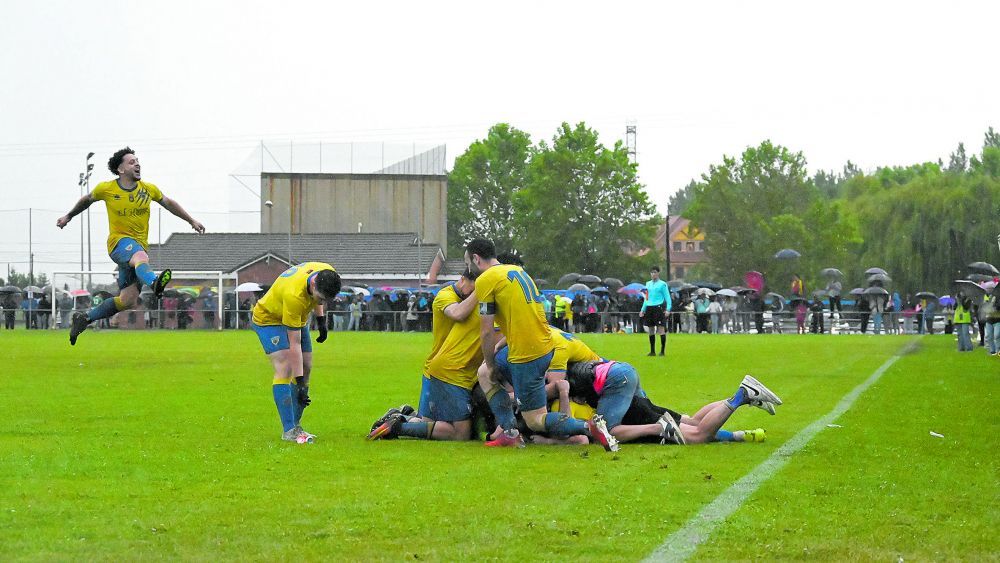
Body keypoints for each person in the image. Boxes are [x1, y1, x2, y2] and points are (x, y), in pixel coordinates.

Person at [464, 238, 615, 450]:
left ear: (476, 259)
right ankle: (509, 432)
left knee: (535, 418)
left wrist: (491, 363)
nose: (468, 268)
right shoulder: (517, 272)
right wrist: (502, 347)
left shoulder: (486, 279)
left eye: (468, 263)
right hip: (545, 346)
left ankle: (588, 427)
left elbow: (487, 331)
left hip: (526, 354)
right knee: (483, 373)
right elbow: (530, 316)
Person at [57, 147, 205, 345]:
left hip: (138, 249)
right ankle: (155, 283)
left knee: (127, 300)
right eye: (131, 162)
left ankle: (85, 318)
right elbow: (86, 200)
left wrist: (191, 220)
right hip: (119, 243)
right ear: (120, 169)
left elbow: (168, 202)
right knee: (141, 257)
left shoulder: (148, 189)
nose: (137, 164)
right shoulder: (106, 188)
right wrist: (68, 216)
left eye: (137, 161)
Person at [368, 271, 482, 441]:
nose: (473, 292)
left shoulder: (470, 301)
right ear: (463, 279)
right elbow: (457, 313)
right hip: (441, 370)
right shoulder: (445, 296)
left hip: (451, 369)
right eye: (474, 287)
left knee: (431, 423)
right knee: (439, 426)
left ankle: (403, 415)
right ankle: (400, 422)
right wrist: (482, 291)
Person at [563, 360, 782, 445]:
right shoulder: (582, 372)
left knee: (699, 436)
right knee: (695, 422)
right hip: (639, 404)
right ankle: (745, 399)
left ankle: (742, 396)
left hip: (639, 415)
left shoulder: (580, 390)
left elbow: (611, 432)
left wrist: (656, 428)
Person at [250, 262, 341, 443]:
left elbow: (317, 299)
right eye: (320, 299)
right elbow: (295, 344)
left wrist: (321, 320)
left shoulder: (326, 272)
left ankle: (296, 425)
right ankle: (289, 430)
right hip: (269, 319)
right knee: (285, 368)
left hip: (296, 315)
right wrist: (299, 384)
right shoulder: (294, 295)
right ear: (313, 284)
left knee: (307, 366)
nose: (321, 303)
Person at [639, 266, 671, 356]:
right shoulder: (648, 284)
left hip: (658, 307)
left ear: (658, 273)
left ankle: (662, 351)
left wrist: (668, 309)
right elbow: (646, 298)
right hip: (649, 308)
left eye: (655, 272)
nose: (653, 274)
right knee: (651, 329)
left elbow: (667, 297)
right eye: (652, 272)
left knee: (661, 329)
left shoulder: (662, 284)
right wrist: (642, 309)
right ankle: (652, 351)